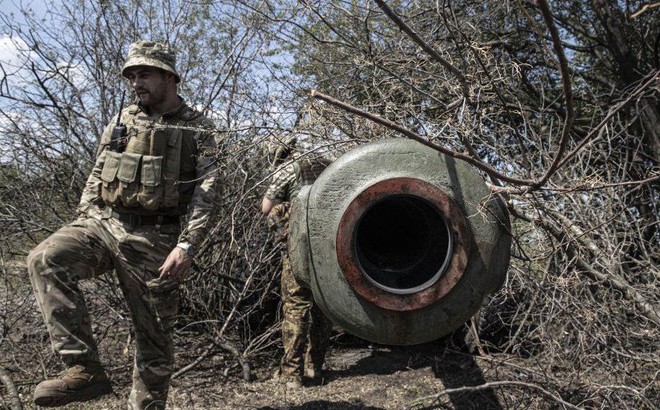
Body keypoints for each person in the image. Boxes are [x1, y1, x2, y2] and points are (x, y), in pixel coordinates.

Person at [27, 40, 222, 409]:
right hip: (104, 225)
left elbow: (208, 192)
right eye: (132, 75)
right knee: (45, 258)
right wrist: (84, 218)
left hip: (156, 240)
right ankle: (84, 370)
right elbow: (98, 174)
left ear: (169, 76)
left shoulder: (200, 129)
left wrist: (187, 245)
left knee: (155, 348)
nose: (136, 82)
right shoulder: (122, 121)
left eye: (144, 73)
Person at [261, 135, 332, 388]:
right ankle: (315, 368)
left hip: (299, 250)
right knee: (324, 309)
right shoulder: (330, 164)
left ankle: (292, 375)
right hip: (329, 250)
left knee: (295, 309)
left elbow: (265, 207)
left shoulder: (287, 169)